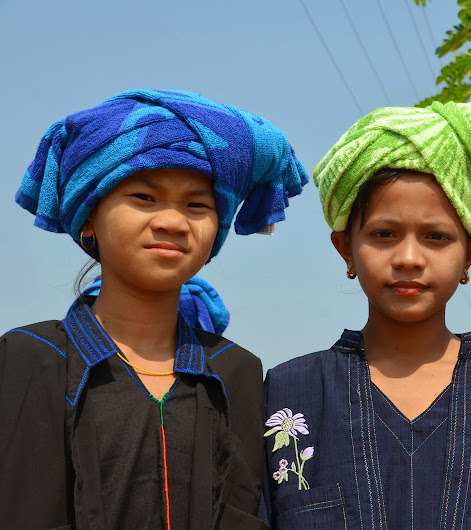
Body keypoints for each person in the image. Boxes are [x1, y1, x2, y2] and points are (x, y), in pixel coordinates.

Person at [0, 89, 307, 529]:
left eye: (197, 204)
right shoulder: (32, 357)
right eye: (145, 197)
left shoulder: (235, 371)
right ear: (88, 215)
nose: (171, 221)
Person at [261, 82, 471, 529]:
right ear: (346, 250)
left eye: (436, 237)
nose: (409, 258)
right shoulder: (290, 393)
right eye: (383, 234)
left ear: (470, 255)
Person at [83, 276, 232, 335]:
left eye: (195, 206)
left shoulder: (238, 372)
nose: (171, 223)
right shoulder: (62, 361)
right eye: (147, 205)